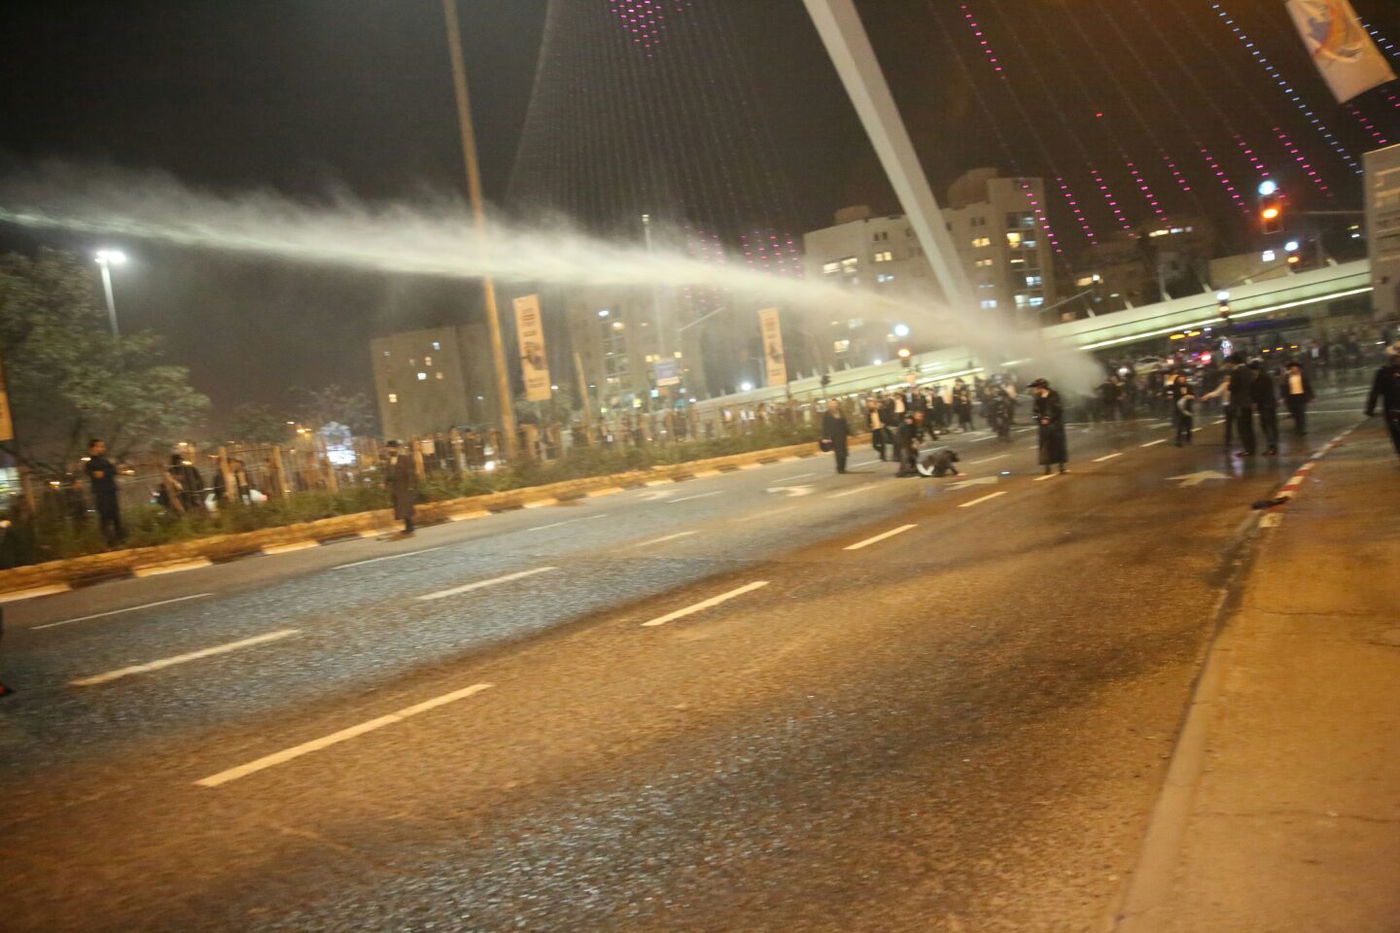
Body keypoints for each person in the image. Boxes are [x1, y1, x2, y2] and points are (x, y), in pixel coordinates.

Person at [83, 438, 124, 546]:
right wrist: (109, 471)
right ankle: (109, 543)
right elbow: (98, 475)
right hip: (101, 493)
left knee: (116, 516)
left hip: (111, 491)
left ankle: (121, 540)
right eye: (100, 446)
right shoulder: (90, 464)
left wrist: (105, 472)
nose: (103, 448)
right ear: (93, 448)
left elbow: (114, 470)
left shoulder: (105, 461)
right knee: (104, 517)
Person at [1365, 342, 1400, 459]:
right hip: (1391, 408)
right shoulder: (1383, 372)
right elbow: (1375, 391)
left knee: (1395, 434)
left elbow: (1375, 391)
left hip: (1391, 408)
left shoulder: (1383, 371)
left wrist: (1370, 409)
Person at [1030, 378, 1068, 474]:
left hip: (1055, 424)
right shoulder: (1037, 398)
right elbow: (1034, 412)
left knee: (1058, 445)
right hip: (1043, 426)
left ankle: (1061, 465)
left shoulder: (1054, 395)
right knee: (1045, 446)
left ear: (1041, 387)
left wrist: (1048, 418)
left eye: (1035, 387)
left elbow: (1058, 409)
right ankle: (1047, 466)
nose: (1034, 389)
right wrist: (1039, 419)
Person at [384, 439, 418, 537]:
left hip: (405, 486)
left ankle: (410, 527)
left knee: (405, 507)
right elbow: (388, 474)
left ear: (396, 449)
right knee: (401, 508)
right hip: (396, 487)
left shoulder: (405, 459)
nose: (390, 450)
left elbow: (411, 473)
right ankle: (409, 527)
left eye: (391, 448)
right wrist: (385, 483)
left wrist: (411, 485)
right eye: (388, 449)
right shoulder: (389, 461)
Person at [1249, 359, 1280, 456]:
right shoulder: (1256, 379)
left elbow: (1263, 392)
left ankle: (1272, 447)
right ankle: (1272, 446)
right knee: (1266, 426)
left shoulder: (1264, 378)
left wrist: (1255, 401)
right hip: (1264, 406)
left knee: (1268, 426)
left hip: (1267, 405)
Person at [1281, 360, 1315, 436]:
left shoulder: (1302, 376)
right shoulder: (1287, 377)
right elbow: (1284, 387)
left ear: (1298, 368)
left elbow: (1308, 386)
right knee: (1295, 414)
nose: (1294, 369)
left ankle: (1302, 429)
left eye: (1295, 368)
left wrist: (1312, 396)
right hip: (1291, 397)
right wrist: (1283, 397)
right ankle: (1297, 428)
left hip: (1301, 397)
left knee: (1301, 413)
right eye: (1292, 368)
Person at [820, 400, 850, 474]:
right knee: (838, 453)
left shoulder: (841, 412)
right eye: (831, 404)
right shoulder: (827, 414)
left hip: (842, 435)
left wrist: (849, 432)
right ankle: (840, 468)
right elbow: (825, 426)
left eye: (834, 403)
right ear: (829, 405)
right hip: (834, 436)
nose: (833, 405)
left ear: (837, 404)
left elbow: (845, 423)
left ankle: (843, 467)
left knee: (844, 452)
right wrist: (825, 437)